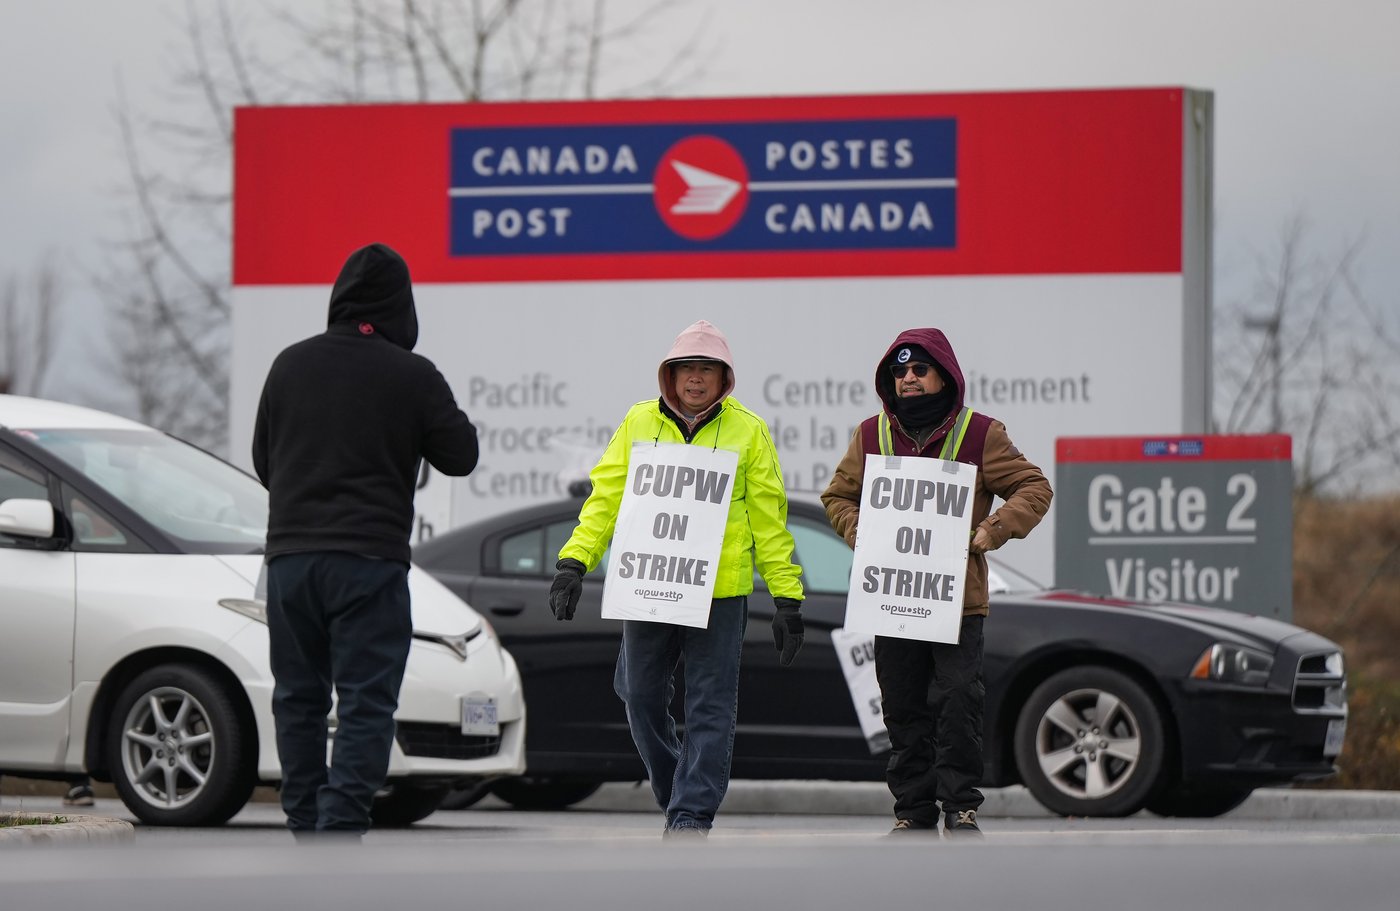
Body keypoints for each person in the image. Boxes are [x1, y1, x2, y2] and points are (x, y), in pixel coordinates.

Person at [251, 242, 479, 839]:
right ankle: (341, 826)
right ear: (401, 306)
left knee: (297, 697)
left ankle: (304, 819)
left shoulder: (289, 365)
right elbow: (462, 455)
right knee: (365, 702)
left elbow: (263, 462)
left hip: (291, 562)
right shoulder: (413, 375)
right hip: (368, 563)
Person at [548, 319, 806, 838]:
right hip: (648, 585)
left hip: (721, 592)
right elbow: (606, 498)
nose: (695, 378)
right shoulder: (639, 421)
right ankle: (676, 790)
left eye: (706, 369)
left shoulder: (748, 430)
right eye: (686, 368)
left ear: (724, 377)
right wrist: (574, 563)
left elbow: (769, 520)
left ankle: (691, 814)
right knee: (639, 694)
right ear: (669, 374)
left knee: (710, 706)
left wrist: (787, 597)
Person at [821, 328, 1052, 838]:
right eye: (899, 372)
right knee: (902, 707)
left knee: (956, 704)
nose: (907, 378)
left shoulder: (980, 433)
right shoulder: (870, 435)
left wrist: (991, 531)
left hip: (958, 603)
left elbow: (1034, 487)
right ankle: (912, 813)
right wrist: (860, 530)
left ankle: (961, 809)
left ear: (944, 375)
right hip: (892, 597)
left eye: (919, 370)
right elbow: (838, 497)